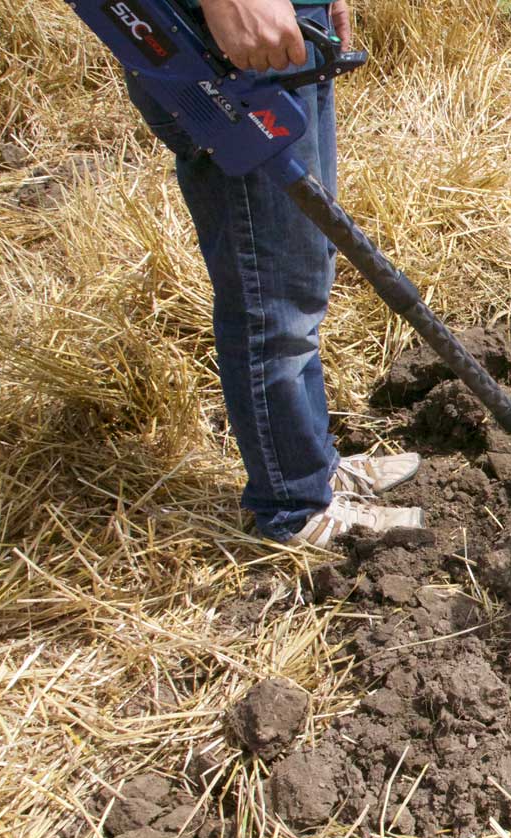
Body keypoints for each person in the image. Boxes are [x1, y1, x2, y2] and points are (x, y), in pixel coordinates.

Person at [124, 0, 423, 548]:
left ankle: (314, 468)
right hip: (220, 43)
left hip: (286, 23)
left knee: (302, 276)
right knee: (272, 299)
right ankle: (294, 507)